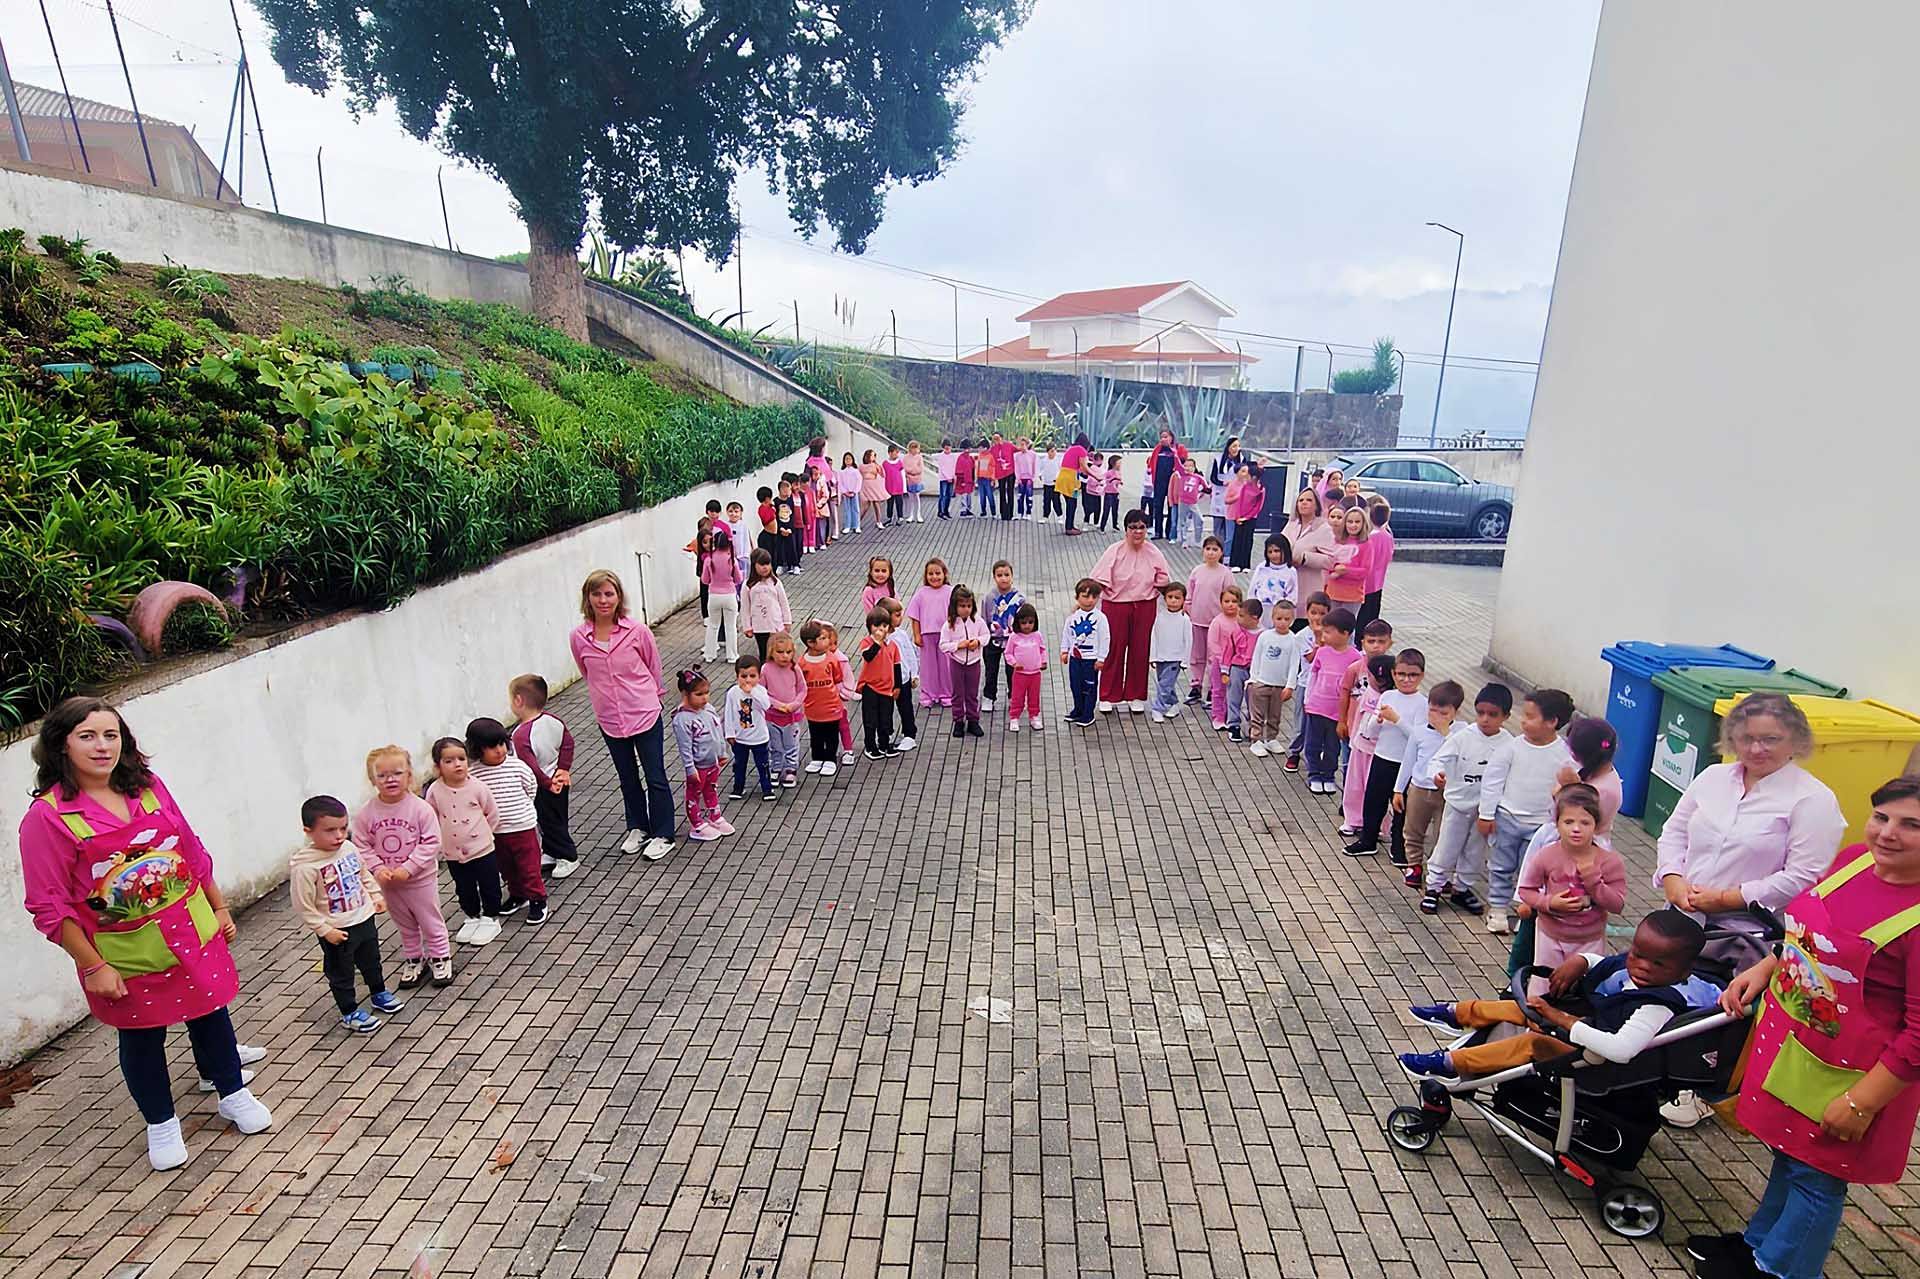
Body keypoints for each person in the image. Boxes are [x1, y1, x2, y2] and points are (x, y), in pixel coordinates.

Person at [18, 698, 272, 1169]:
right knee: (142, 1037)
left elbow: (191, 849)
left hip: (190, 932)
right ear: (60, 744)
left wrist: (218, 906)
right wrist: (93, 965)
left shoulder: (149, 787)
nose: (102, 746)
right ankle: (161, 1122)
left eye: (111, 735)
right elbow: (48, 905)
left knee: (211, 1015)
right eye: (87, 736)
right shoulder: (48, 818)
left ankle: (232, 1091)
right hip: (125, 952)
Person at [1698, 777, 1920, 1279]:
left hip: (1853, 1076)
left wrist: (1863, 1101)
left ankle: (1782, 1269)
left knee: (1818, 1176)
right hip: (1797, 1046)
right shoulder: (1855, 861)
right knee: (1789, 1154)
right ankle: (1758, 1244)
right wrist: (1767, 966)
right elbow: (1807, 934)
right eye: (1882, 817)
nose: (1888, 833)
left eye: (1912, 825)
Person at [1656, 693, 1848, 1130]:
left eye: (1770, 739)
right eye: (1746, 738)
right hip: (1685, 914)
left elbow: (1804, 877)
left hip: (1751, 932)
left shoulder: (1812, 800)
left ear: (1796, 741)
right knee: (1671, 992)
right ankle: (1659, 1067)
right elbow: (1673, 834)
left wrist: (1729, 898)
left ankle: (1704, 1089)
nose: (1756, 749)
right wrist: (1672, 878)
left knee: (1723, 1007)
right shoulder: (1712, 778)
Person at [1398, 910, 1717, 1081]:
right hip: (1589, 1026)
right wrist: (1580, 962)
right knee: (1525, 1008)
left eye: (1657, 963)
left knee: (1532, 1041)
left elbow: (1621, 1050)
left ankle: (1452, 1063)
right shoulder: (1633, 967)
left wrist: (1562, 1019)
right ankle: (1458, 1015)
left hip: (1597, 1059)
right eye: (1637, 954)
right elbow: (1606, 966)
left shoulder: (1656, 1005)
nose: (1641, 966)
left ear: (1684, 971)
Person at [571, 569, 675, 861]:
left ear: (618, 597)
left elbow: (653, 668)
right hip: (610, 718)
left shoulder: (637, 631)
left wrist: (652, 697)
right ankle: (638, 827)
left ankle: (663, 833)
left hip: (643, 712)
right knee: (627, 777)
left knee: (655, 776)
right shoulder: (579, 637)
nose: (603, 600)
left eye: (609, 593)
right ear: (587, 599)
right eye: (597, 594)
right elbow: (587, 672)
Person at [292, 795, 399, 1034]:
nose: (339, 835)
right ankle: (349, 1012)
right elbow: (303, 906)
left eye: (343, 828)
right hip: (337, 930)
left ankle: (378, 992)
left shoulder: (348, 848)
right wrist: (325, 930)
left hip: (364, 919)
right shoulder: (305, 867)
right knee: (341, 972)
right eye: (330, 830)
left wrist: (376, 896)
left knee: (371, 961)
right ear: (308, 831)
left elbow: (363, 874)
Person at [1479, 688, 1576, 935]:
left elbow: (1571, 789)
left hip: (1542, 826)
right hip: (1507, 818)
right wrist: (1486, 813)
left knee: (1532, 872)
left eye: (1530, 717)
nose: (1523, 721)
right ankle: (1498, 909)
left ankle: (1527, 912)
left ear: (1552, 722)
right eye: (1524, 715)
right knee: (1500, 866)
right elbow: (1492, 780)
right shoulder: (1512, 747)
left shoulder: (1564, 754)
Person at [353, 745, 452, 985]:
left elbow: (431, 842)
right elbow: (361, 845)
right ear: (372, 779)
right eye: (383, 775)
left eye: (397, 773)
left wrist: (408, 868)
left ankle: (440, 957)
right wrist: (378, 869)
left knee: (429, 919)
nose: (390, 780)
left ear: (409, 774)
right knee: (404, 923)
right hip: (389, 883)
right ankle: (414, 958)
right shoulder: (366, 813)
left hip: (420, 880)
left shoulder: (420, 809)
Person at [1517, 785, 1629, 986]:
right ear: (1557, 824)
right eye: (1568, 822)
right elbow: (1526, 889)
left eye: (1585, 822)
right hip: (1550, 936)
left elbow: (1617, 904)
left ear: (1596, 825)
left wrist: (1593, 880)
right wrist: (1550, 903)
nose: (1576, 829)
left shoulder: (1609, 862)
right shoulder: (1547, 855)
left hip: (1589, 940)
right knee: (1544, 986)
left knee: (1581, 989)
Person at [1419, 683, 1513, 916]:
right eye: (1480, 712)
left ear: (1506, 716)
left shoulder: (1509, 743)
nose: (1485, 719)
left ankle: (1462, 887)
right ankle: (1434, 886)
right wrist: (1437, 775)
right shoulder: (1462, 737)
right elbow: (1438, 760)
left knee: (1475, 850)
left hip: (1485, 809)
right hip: (1458, 803)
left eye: (1493, 715)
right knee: (1447, 846)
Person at [1087, 509, 1172, 712]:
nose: (1137, 532)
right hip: (1116, 605)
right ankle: (1108, 694)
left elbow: (1164, 580)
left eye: (1142, 527)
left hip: (1144, 605)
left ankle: (1136, 695)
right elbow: (1098, 578)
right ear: (1126, 529)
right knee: (1113, 649)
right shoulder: (1114, 550)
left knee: (1140, 650)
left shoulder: (1154, 552)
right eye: (1133, 527)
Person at [1349, 649, 1429, 861]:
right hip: (1382, 756)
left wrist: (1397, 719)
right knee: (1373, 800)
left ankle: (1399, 847)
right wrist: (1378, 720)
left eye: (1412, 675)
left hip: (1405, 763)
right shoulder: (1388, 696)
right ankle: (1368, 840)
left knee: (1402, 806)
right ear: (1394, 674)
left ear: (1421, 676)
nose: (1406, 679)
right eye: (1401, 674)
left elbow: (1417, 737)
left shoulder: (1422, 703)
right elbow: (1372, 730)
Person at [466, 718, 548, 926]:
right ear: (477, 750)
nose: (499, 750)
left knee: (529, 867)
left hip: (522, 827)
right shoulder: (473, 773)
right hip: (495, 832)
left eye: (502, 744)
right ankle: (517, 895)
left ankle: (538, 899)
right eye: (492, 747)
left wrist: (522, 811)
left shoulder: (517, 766)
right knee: (507, 867)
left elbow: (530, 788)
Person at [426, 737, 503, 947]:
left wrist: (486, 836)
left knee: (489, 883)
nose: (457, 764)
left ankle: (491, 917)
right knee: (463, 886)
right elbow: (431, 818)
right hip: (452, 852)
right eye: (449, 761)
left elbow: (492, 814)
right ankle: (472, 916)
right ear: (438, 766)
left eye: (461, 758)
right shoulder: (434, 791)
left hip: (482, 849)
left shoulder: (477, 787)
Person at [1395, 681, 1465, 890]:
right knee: (1413, 829)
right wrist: (1399, 789)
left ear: (1456, 712)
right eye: (1432, 710)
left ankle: (1439, 872)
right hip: (1419, 788)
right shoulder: (1419, 732)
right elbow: (1408, 761)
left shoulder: (1462, 733)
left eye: (1443, 713)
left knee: (1444, 833)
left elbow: (1462, 756)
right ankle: (1414, 865)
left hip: (1447, 792)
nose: (1435, 717)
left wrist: (1445, 732)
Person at [509, 675, 577, 879]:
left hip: (542, 786)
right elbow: (568, 743)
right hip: (559, 780)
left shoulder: (520, 735)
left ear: (518, 701)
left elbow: (529, 766)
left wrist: (547, 783)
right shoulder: (553, 721)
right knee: (558, 818)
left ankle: (568, 856)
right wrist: (563, 770)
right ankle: (551, 852)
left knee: (548, 822)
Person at [1301, 609, 1360, 794]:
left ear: (1345, 633)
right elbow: (1313, 676)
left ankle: (1328, 775)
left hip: (1337, 712)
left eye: (1328, 632)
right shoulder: (1321, 652)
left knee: (1333, 746)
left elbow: (1356, 688)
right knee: (1313, 743)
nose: (1323, 636)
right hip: (1317, 707)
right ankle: (1314, 774)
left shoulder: (1355, 657)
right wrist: (1307, 699)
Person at [671, 670, 729, 839]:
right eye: (698, 694)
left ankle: (715, 816)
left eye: (706, 693)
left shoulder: (708, 710)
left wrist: (722, 752)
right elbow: (685, 747)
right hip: (698, 766)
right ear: (685, 694)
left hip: (713, 763)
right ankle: (696, 823)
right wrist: (690, 768)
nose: (704, 698)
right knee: (694, 794)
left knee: (711, 789)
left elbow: (717, 733)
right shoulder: (682, 719)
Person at [1340, 654, 1393, 837]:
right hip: (1360, 747)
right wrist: (1353, 739)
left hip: (1378, 752)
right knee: (1354, 786)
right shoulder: (1368, 693)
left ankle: (1378, 824)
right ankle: (1352, 820)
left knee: (1376, 791)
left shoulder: (1391, 699)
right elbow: (1359, 717)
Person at [1245, 600, 1303, 755]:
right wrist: (1253, 679)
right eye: (1279, 618)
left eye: (1286, 619)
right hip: (1262, 682)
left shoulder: (1293, 640)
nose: (1282, 622)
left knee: (1275, 714)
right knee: (1257, 713)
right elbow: (1256, 658)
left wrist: (1290, 685)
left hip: (1280, 685)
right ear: (1272, 617)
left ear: (1292, 620)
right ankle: (1255, 739)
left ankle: (1271, 738)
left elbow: (1294, 664)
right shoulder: (1264, 636)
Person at [1185, 536, 1234, 706]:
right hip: (1197, 620)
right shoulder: (1197, 571)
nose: (1211, 553)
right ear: (1203, 551)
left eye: (1215, 549)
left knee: (1214, 657)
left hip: (1217, 624)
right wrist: (1189, 609)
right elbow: (1189, 594)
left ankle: (1214, 688)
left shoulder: (1226, 573)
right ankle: (1196, 685)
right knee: (1197, 655)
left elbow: (1231, 596)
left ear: (1221, 552)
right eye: (1208, 549)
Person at [799, 620, 851, 776]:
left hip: (831, 705)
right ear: (810, 643)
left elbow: (837, 678)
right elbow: (800, 682)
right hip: (812, 706)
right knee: (815, 733)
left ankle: (830, 759)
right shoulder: (802, 662)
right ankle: (817, 757)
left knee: (831, 733)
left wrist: (843, 694)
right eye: (822, 638)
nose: (827, 641)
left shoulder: (831, 659)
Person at [725, 655, 776, 802]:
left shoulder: (760, 691)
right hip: (740, 737)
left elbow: (766, 706)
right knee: (739, 764)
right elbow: (728, 713)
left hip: (759, 737)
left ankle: (767, 788)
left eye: (752, 676)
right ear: (737, 676)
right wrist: (729, 733)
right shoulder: (733, 693)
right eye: (743, 676)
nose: (748, 680)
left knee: (763, 764)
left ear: (759, 676)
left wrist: (752, 692)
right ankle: (738, 787)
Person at [906, 558, 955, 709]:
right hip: (927, 635)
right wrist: (916, 635)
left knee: (946, 666)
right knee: (928, 667)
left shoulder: (951, 591)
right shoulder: (921, 593)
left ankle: (946, 694)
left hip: (945, 636)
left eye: (938, 573)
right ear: (926, 576)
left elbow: (957, 615)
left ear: (944, 574)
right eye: (930, 574)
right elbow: (915, 616)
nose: (934, 577)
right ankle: (928, 694)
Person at [1061, 579, 1110, 727]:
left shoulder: (1101, 618)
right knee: (1075, 685)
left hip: (1091, 660)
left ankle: (1088, 714)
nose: (1090, 600)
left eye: (1094, 597)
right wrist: (1064, 650)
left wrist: (1101, 658)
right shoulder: (1072, 618)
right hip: (1075, 658)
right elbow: (1067, 635)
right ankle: (1078, 710)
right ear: (1077, 597)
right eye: (1085, 596)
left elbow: (1105, 638)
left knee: (1089, 687)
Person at [942, 585, 988, 738]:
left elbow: (986, 636)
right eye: (962, 606)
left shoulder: (978, 621)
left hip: (974, 663)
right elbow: (943, 645)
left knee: (972, 693)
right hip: (957, 663)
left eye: (969, 606)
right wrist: (957, 645)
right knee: (957, 693)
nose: (966, 609)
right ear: (955, 606)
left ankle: (973, 720)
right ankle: (958, 721)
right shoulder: (949, 624)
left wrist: (978, 641)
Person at [762, 632, 807, 788]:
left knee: (791, 744)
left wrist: (794, 704)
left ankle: (790, 769)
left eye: (788, 652)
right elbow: (761, 692)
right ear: (771, 652)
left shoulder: (795, 668)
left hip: (792, 715)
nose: (784, 656)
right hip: (772, 715)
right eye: (780, 652)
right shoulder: (766, 669)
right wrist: (775, 704)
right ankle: (775, 767)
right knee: (774, 745)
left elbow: (802, 689)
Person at [857, 608, 902, 758]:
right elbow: (868, 657)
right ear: (869, 626)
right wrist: (876, 642)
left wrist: (897, 686)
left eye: (884, 626)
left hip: (887, 688)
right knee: (870, 719)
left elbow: (897, 666)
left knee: (886, 719)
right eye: (876, 626)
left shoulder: (893, 645)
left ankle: (884, 744)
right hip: (870, 687)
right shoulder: (866, 642)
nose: (880, 629)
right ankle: (870, 746)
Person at [981, 561, 1025, 714]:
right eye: (999, 575)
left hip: (1012, 641)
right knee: (991, 669)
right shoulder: (988, 597)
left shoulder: (1019, 598)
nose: (1003, 578)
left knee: (1012, 670)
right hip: (992, 640)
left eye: (1006, 575)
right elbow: (984, 618)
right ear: (994, 577)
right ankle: (989, 696)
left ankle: (1014, 696)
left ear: (1012, 576)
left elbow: (1024, 619)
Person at [1207, 587, 1251, 733]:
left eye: (1234, 601)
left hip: (1236, 665)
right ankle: (1217, 717)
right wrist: (1222, 661)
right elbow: (1213, 644)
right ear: (1220, 603)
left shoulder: (1242, 622)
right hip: (1218, 664)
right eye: (1226, 601)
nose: (1230, 604)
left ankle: (1229, 715)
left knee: (1232, 692)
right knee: (1218, 690)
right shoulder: (1217, 622)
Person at [1281, 488, 1337, 604]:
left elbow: (1331, 561)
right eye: (1301, 500)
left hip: (1309, 587)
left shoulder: (1324, 528)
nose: (1304, 503)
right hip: (1286, 587)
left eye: (1309, 500)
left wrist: (1305, 558)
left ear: (1316, 505)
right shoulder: (1291, 525)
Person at [1147, 582, 1191, 724]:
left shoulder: (1185, 619)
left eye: (1177, 598)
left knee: (1165, 685)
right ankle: (1173, 704)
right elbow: (1154, 636)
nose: (1173, 600)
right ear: (1165, 598)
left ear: (1184, 600)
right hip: (1161, 657)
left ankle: (1157, 709)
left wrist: (1185, 660)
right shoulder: (1159, 616)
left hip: (1175, 658)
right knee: (1165, 683)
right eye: (1170, 597)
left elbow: (1189, 640)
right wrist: (1153, 656)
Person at [742, 549, 793, 664]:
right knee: (764, 655)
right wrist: (747, 626)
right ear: (754, 565)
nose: (765, 568)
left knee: (777, 653)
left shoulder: (775, 583)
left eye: (767, 564)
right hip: (759, 626)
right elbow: (745, 608)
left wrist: (787, 621)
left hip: (776, 624)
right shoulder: (748, 585)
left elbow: (783, 603)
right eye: (761, 565)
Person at [1003, 603, 1048, 732]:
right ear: (1018, 623)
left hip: (1035, 674)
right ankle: (1014, 717)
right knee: (1017, 696)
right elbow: (1008, 653)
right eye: (1024, 623)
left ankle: (1034, 716)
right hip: (1020, 674)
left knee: (1034, 696)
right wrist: (1014, 663)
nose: (1027, 625)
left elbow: (1042, 649)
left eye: (1030, 622)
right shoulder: (1014, 637)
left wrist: (1043, 661)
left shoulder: (1037, 635)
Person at [700, 529, 742, 662]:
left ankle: (709, 655)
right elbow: (738, 579)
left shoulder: (709, 559)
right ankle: (732, 656)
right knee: (731, 626)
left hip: (714, 596)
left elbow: (705, 580)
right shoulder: (732, 560)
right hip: (729, 595)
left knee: (713, 625)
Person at [883, 598, 919, 751]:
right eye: (897, 615)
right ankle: (887, 733)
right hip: (885, 682)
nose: (900, 618)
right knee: (886, 709)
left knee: (905, 707)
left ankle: (909, 735)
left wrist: (914, 674)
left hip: (903, 679)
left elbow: (911, 654)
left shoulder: (901, 635)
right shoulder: (880, 638)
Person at [1324, 504, 1371, 615]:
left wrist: (1346, 571)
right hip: (1333, 592)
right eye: (1350, 522)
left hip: (1352, 595)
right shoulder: (1337, 540)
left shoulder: (1366, 544)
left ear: (1363, 523)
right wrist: (1334, 569)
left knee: (1347, 627)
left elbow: (1365, 571)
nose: (1353, 525)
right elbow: (1328, 562)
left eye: (1357, 522)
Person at [1356, 499, 1395, 632]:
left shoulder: (1370, 538)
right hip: (1379, 581)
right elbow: (1389, 556)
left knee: (1362, 616)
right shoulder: (1388, 536)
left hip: (1366, 582)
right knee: (1373, 613)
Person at [1246, 536, 1299, 628]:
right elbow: (1252, 590)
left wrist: (1284, 611)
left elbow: (1293, 595)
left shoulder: (1290, 571)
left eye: (1277, 551)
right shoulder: (1261, 568)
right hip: (1261, 610)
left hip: (1280, 612)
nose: (1273, 555)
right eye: (1270, 552)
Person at [1145, 428, 1189, 540]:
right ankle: (1157, 532)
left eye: (1166, 436)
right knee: (1157, 506)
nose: (1163, 439)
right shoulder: (1158, 449)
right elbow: (1151, 463)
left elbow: (1184, 462)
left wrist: (1173, 452)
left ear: (1171, 437)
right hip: (1159, 482)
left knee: (1172, 507)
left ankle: (1170, 532)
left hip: (1173, 483)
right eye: (1162, 437)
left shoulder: (1179, 448)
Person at [1227, 462, 1265, 571]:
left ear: (1253, 477)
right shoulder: (1245, 487)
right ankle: (1235, 563)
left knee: (1247, 540)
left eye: (1247, 474)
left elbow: (1258, 507)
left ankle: (1245, 564)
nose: (1245, 476)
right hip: (1240, 517)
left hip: (1251, 518)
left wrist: (1247, 517)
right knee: (1237, 539)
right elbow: (1239, 503)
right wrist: (1239, 516)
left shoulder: (1261, 489)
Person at [1208, 438, 1244, 544]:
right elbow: (1213, 477)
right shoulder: (1218, 460)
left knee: (1229, 529)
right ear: (1228, 447)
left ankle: (1226, 551)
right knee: (1217, 528)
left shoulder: (1242, 460)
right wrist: (1223, 483)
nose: (1236, 449)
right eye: (1233, 446)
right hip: (1220, 495)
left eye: (1238, 446)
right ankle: (1218, 546)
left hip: (1234, 498)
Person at [1057, 435, 1087, 533]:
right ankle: (1069, 528)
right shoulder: (1081, 450)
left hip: (1063, 479)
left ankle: (1070, 525)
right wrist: (1095, 475)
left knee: (1071, 503)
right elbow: (1084, 467)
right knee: (1072, 504)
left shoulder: (1071, 449)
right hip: (1071, 481)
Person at [859, 450, 888, 531]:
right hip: (866, 486)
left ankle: (879, 521)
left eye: (874, 455)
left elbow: (882, 474)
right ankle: (857, 522)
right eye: (872, 455)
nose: (873, 457)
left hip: (874, 485)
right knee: (865, 505)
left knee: (876, 503)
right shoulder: (861, 466)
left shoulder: (876, 465)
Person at [992, 433, 1017, 520]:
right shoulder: (993, 449)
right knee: (1002, 493)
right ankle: (1003, 513)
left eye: (997, 438)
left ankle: (1010, 514)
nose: (996, 440)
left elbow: (1019, 449)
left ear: (1001, 438)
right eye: (994, 439)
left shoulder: (1009, 445)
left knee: (1010, 492)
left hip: (1010, 472)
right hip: (1000, 474)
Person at [837, 452, 863, 533]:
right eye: (846, 459)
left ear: (852, 460)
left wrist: (855, 491)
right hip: (846, 493)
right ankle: (847, 526)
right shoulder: (841, 472)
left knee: (855, 509)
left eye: (849, 459)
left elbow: (859, 481)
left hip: (854, 493)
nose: (848, 460)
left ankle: (857, 525)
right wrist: (844, 491)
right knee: (846, 509)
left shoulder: (856, 471)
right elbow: (840, 483)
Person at [882, 444, 907, 525]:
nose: (896, 454)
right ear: (889, 453)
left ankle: (900, 517)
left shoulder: (900, 463)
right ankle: (889, 518)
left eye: (897, 453)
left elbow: (903, 475)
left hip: (898, 486)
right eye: (895, 453)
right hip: (889, 487)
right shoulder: (885, 464)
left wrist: (904, 488)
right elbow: (883, 475)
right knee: (890, 503)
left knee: (899, 502)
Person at [903, 440, 927, 523]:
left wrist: (912, 471)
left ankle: (918, 515)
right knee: (910, 498)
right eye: (912, 448)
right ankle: (911, 515)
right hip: (909, 480)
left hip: (917, 479)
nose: (914, 450)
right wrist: (911, 472)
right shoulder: (906, 457)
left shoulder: (919, 457)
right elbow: (905, 468)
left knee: (917, 497)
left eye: (916, 448)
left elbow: (920, 469)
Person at [1013, 437, 1037, 519]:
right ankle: (1020, 512)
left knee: (1029, 496)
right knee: (1020, 496)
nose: (1022, 447)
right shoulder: (1016, 456)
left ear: (1027, 445)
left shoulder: (1032, 455)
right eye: (1020, 445)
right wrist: (1018, 478)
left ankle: (1028, 512)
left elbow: (1034, 466)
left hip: (1029, 478)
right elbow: (1016, 468)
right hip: (1021, 478)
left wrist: (1033, 477)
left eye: (1023, 445)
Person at [1037, 444, 1062, 521]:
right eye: (1052, 451)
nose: (1054, 453)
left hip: (1055, 483)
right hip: (1047, 483)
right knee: (1046, 500)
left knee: (1056, 500)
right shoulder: (1044, 460)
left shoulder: (1058, 460)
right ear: (1048, 452)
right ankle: (1045, 516)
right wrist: (1040, 475)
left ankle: (1059, 516)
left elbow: (1061, 470)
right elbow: (1040, 469)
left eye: (1055, 451)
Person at [936, 441, 959, 519]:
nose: (948, 449)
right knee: (943, 495)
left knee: (949, 495)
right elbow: (942, 468)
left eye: (949, 448)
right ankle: (940, 511)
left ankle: (946, 510)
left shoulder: (953, 456)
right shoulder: (941, 456)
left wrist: (953, 476)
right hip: (943, 478)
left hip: (951, 478)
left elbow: (954, 467)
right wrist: (947, 477)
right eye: (946, 448)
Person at [955, 441, 977, 517]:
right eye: (966, 448)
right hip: (963, 479)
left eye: (968, 448)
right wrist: (961, 480)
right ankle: (963, 509)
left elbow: (973, 469)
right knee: (964, 495)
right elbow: (958, 470)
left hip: (970, 480)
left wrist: (973, 479)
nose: (967, 450)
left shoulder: (971, 458)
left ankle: (968, 509)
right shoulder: (960, 458)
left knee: (969, 495)